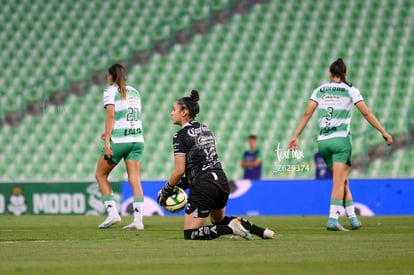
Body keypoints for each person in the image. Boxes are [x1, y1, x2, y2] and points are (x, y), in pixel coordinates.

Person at [288, 58, 392, 231]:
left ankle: (352, 217)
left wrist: (296, 136)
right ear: (345, 74)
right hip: (340, 141)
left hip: (323, 142)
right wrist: (384, 132)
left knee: (343, 182)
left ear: (330, 73)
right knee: (338, 182)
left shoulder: (320, 90)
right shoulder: (350, 90)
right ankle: (333, 218)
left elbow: (307, 114)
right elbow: (366, 113)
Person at [157, 90, 275, 240]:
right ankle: (262, 232)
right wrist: (181, 185)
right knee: (218, 220)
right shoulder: (205, 129)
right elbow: (200, 164)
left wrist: (167, 190)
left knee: (190, 233)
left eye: (174, 109)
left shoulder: (179, 136)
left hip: (204, 186)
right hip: (221, 181)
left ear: (184, 112)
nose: (171, 113)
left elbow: (180, 170)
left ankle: (230, 229)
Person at [95, 63, 145, 230]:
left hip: (120, 141)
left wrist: (108, 138)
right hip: (137, 139)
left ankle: (112, 214)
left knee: (100, 175)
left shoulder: (110, 91)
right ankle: (138, 221)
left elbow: (111, 115)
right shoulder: (135, 92)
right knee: (134, 179)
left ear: (111, 76)